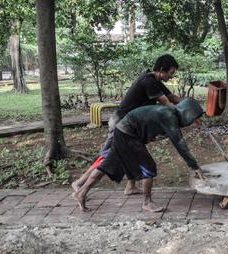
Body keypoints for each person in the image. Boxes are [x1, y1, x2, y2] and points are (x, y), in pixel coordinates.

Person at [72, 54, 182, 195]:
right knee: (108, 157)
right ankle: (80, 183)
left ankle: (130, 187)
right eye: (171, 73)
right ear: (162, 69)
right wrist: (184, 114)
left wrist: (189, 105)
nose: (172, 76)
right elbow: (167, 103)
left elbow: (172, 97)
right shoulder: (148, 82)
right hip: (120, 124)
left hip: (131, 126)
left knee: (132, 152)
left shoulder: (154, 80)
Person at [73, 98, 208, 213]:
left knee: (107, 165)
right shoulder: (169, 116)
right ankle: (147, 202)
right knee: (148, 167)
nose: (194, 122)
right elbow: (179, 143)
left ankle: (81, 192)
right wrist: (194, 166)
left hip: (122, 131)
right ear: (188, 114)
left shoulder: (169, 114)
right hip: (127, 135)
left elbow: (152, 128)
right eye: (194, 118)